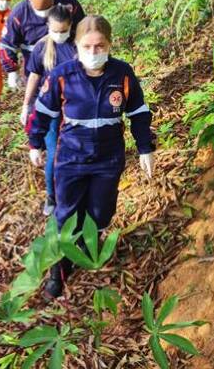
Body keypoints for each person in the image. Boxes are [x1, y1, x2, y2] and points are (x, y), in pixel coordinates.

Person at [27, 15, 156, 299]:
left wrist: (145, 147)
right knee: (66, 215)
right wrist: (35, 142)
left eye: (100, 46)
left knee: (101, 212)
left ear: (109, 45)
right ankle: (59, 270)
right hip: (71, 159)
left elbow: (138, 112)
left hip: (108, 159)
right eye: (87, 46)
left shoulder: (122, 74)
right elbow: (43, 111)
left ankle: (88, 250)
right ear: (76, 45)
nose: (94, 52)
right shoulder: (62, 76)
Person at [21, 4, 77, 217]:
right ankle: (52, 196)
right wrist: (26, 105)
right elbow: (34, 76)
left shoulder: (77, 45)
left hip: (75, 108)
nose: (60, 34)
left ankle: (73, 191)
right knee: (55, 152)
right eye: (55, 30)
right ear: (48, 26)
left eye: (64, 30)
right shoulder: (42, 48)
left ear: (70, 26)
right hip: (50, 109)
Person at [0, 0, 85, 88]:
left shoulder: (69, 4)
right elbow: (7, 44)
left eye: (48, 10)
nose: (44, 15)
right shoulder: (19, 14)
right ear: (30, 2)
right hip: (35, 64)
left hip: (66, 59)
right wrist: (11, 70)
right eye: (40, 11)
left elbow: (83, 30)